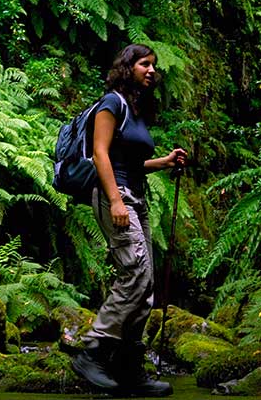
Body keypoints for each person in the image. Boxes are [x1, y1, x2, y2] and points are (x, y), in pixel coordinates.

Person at [72, 44, 186, 398]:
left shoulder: (137, 110)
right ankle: (92, 349)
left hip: (137, 196)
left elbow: (132, 162)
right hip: (116, 197)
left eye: (153, 65)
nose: (151, 70)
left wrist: (164, 161)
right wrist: (116, 200)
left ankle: (128, 368)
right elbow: (99, 153)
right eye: (143, 64)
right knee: (134, 273)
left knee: (145, 286)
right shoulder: (112, 103)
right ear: (127, 67)